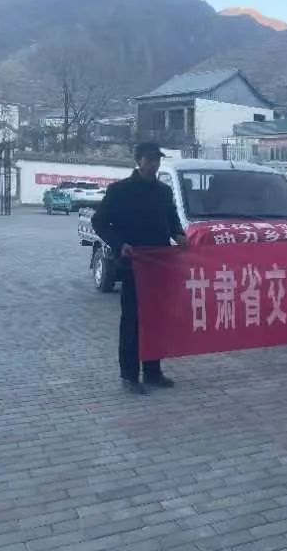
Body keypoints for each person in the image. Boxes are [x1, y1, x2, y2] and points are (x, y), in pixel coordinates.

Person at [92, 142, 187, 394]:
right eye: (149, 159)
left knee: (156, 320)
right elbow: (99, 222)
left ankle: (153, 372)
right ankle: (130, 376)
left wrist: (179, 234)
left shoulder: (164, 192)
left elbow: (172, 220)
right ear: (138, 161)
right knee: (132, 322)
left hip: (160, 266)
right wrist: (119, 245)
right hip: (133, 265)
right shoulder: (120, 191)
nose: (154, 164)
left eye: (157, 160)